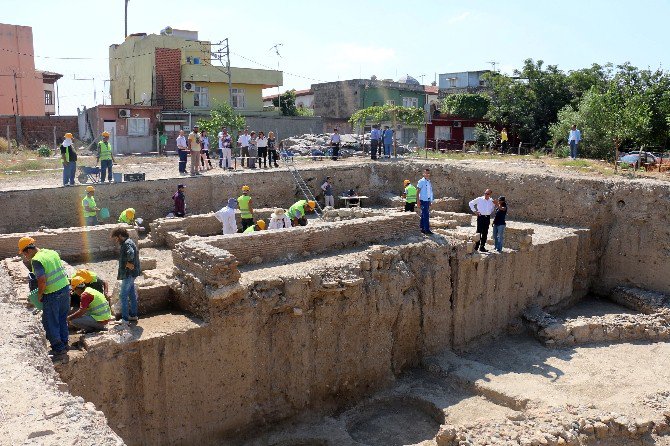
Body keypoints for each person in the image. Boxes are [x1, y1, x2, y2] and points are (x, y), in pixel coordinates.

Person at [18, 237, 70, 360]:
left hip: (52, 293)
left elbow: (41, 281)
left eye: (24, 253)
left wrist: (40, 294)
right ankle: (64, 344)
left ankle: (59, 350)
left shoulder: (36, 260)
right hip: (65, 289)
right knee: (62, 318)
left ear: (28, 250)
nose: (25, 256)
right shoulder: (51, 252)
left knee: (50, 322)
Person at [111, 227, 141, 326]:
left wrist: (129, 263)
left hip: (128, 274)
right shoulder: (129, 242)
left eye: (116, 238)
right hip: (132, 274)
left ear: (120, 236)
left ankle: (125, 319)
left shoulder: (127, 244)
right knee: (131, 294)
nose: (116, 240)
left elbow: (131, 253)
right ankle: (133, 315)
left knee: (123, 296)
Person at [417, 168, 434, 235]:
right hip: (423, 201)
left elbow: (429, 192)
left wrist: (429, 200)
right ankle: (427, 230)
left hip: (427, 201)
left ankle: (422, 228)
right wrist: (418, 201)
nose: (427, 174)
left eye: (428, 173)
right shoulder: (421, 181)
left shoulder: (428, 181)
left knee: (423, 215)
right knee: (426, 215)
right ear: (423, 174)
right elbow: (417, 191)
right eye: (426, 173)